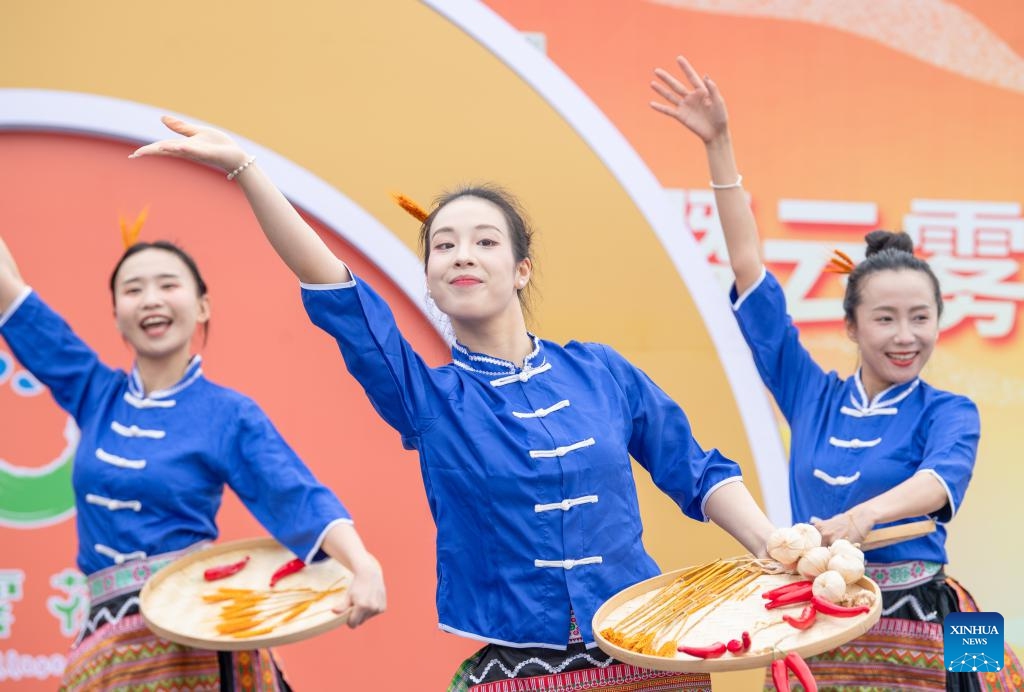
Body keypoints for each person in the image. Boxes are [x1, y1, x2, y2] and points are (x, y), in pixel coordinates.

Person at [130, 115, 778, 691]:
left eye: (485, 241)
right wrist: (248, 172)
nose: (462, 255)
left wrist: (772, 543)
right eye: (443, 245)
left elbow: (697, 471)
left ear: (522, 268)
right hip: (517, 673)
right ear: (432, 281)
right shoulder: (430, 398)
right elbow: (337, 294)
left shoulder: (602, 372)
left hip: (647, 656)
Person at [652, 55, 1024, 691]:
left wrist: (860, 520)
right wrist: (720, 146)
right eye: (885, 319)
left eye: (920, 318)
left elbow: (937, 483)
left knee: (998, 679)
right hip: (817, 617)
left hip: (929, 609)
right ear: (851, 326)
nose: (905, 336)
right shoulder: (811, 394)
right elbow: (749, 272)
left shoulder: (949, 410)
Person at [0, 233, 386, 691]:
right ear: (117, 318)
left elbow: (295, 496)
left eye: (168, 285)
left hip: (196, 638)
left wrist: (362, 564)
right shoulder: (94, 393)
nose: (151, 300)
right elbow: (12, 294)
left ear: (202, 306)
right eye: (133, 289)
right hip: (103, 646)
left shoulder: (227, 413)